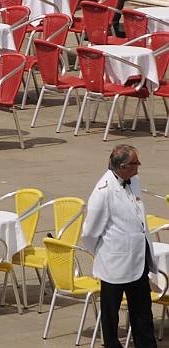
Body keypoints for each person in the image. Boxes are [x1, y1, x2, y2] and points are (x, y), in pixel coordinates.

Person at [82, 145, 156, 348]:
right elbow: (89, 232)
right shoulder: (103, 191)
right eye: (135, 163)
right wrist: (103, 253)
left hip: (138, 260)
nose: (139, 166)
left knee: (143, 312)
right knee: (110, 315)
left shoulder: (135, 180)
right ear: (123, 167)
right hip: (114, 264)